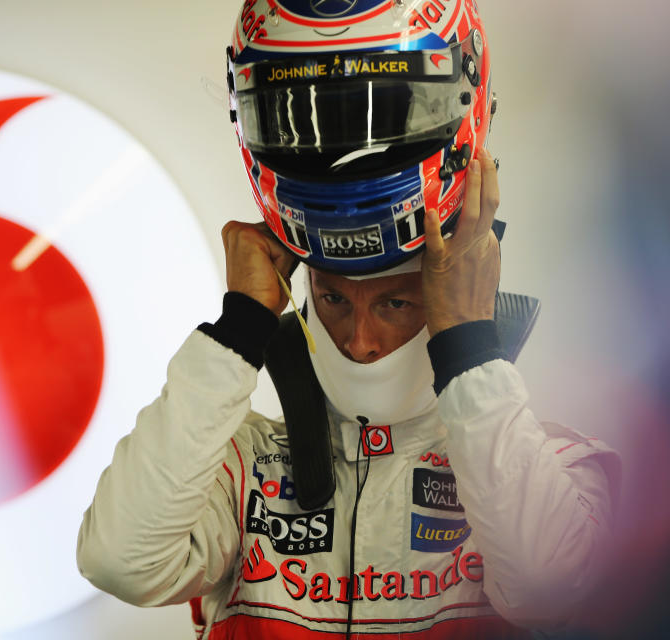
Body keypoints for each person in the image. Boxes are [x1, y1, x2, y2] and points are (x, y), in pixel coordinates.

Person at [77, 1, 620, 638]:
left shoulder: (555, 466)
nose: (360, 343)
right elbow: (118, 560)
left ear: (450, 302)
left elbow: (547, 585)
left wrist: (470, 349)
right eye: (334, 300)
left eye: (396, 302)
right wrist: (240, 328)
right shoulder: (241, 467)